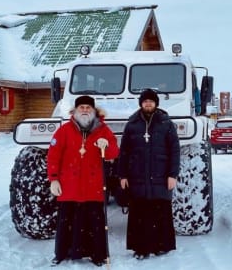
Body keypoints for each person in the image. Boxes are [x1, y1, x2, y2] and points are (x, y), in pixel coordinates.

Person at [47, 95, 119, 267]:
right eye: (82, 107)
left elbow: (114, 153)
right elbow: (53, 156)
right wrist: (53, 179)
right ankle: (62, 253)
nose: (85, 110)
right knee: (66, 222)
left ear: (94, 111)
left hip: (93, 187)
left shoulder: (103, 130)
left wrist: (106, 145)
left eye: (88, 107)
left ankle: (97, 255)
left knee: (94, 223)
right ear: (75, 110)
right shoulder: (64, 130)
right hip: (69, 187)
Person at [118, 88, 180, 260]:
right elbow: (124, 152)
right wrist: (122, 175)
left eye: (151, 101)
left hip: (160, 175)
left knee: (160, 211)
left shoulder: (166, 123)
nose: (148, 104)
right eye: (145, 101)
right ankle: (140, 248)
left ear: (156, 104)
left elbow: (174, 150)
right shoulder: (132, 124)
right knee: (139, 213)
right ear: (141, 103)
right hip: (137, 174)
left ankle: (161, 246)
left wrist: (172, 175)